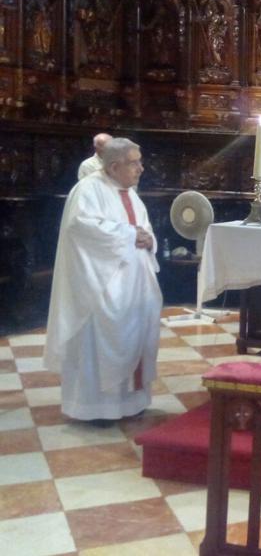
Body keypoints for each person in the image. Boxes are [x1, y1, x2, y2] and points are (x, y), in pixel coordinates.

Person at [44, 137, 162, 426]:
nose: (141, 168)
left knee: (137, 337)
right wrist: (130, 235)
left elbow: (143, 227)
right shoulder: (88, 190)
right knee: (98, 345)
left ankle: (131, 403)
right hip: (100, 287)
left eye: (140, 161)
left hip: (135, 284)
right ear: (113, 167)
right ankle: (96, 409)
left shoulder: (130, 192)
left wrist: (149, 239)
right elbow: (81, 227)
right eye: (134, 163)